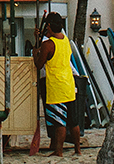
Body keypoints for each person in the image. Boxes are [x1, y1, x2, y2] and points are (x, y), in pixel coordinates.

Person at [32, 12, 82, 156]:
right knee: (73, 121)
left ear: (48, 26)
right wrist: (40, 37)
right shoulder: (65, 40)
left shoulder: (48, 45)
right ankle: (77, 149)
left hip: (56, 85)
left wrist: (36, 51)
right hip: (69, 84)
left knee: (59, 121)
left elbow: (39, 64)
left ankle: (58, 150)